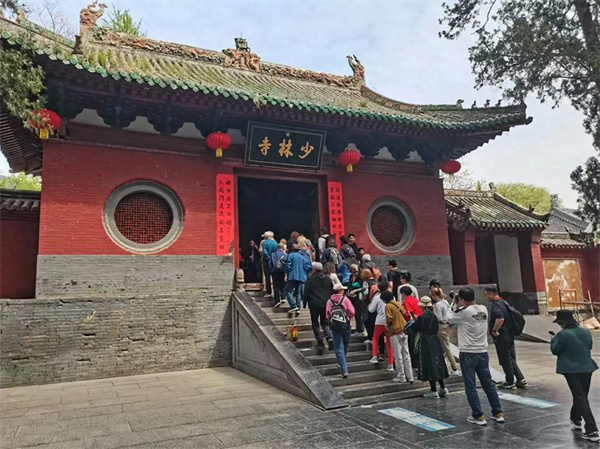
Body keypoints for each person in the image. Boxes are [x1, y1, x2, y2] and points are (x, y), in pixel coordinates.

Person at [447, 287, 505, 426]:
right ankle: (497, 412)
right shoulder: (483, 309)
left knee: (470, 385)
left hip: (468, 353)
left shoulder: (464, 313)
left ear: (462, 299)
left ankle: (478, 415)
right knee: (488, 384)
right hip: (482, 352)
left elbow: (448, 317)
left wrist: (454, 303)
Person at [551, 310, 598, 442]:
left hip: (571, 370)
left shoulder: (562, 335)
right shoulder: (586, 332)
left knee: (580, 396)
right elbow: (589, 346)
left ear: (562, 323)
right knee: (582, 395)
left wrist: (553, 341)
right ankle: (575, 418)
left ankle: (592, 429)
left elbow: (555, 351)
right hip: (587, 367)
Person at [484, 285, 528, 390]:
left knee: (505, 359)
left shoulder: (496, 305)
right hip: (509, 334)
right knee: (510, 357)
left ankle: (510, 382)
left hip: (502, 335)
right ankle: (520, 379)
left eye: (486, 295)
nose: (485, 297)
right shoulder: (504, 302)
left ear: (491, 294)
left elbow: (500, 318)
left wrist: (494, 330)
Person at [415, 296, 449, 398]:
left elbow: (416, 328)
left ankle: (433, 390)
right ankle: (443, 388)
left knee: (429, 364)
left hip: (426, 341)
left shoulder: (421, 318)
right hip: (435, 340)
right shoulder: (434, 317)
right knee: (438, 362)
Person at [382, 291, 413, 383]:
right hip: (404, 329)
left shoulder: (388, 306)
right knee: (406, 354)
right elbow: (405, 314)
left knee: (398, 355)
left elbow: (389, 319)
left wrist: (388, 326)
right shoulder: (397, 304)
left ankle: (401, 375)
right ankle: (410, 376)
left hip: (395, 331)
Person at [326, 283, 355, 378]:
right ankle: (342, 361)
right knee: (345, 344)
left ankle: (344, 369)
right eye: (342, 289)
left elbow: (327, 314)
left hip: (335, 327)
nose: (344, 291)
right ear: (339, 291)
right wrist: (347, 317)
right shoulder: (345, 299)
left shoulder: (329, 301)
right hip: (346, 325)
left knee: (338, 348)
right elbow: (352, 312)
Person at [303, 262, 334, 351]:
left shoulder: (311, 279)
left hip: (314, 304)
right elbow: (332, 291)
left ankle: (320, 342)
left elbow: (306, 291)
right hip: (325, 303)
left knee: (315, 323)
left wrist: (304, 302)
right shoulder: (328, 279)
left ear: (314, 269)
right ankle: (329, 337)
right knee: (325, 322)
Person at [431, 287, 460, 375]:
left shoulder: (438, 305)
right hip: (448, 325)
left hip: (442, 326)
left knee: (446, 347)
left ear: (434, 295)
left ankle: (454, 368)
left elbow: (438, 317)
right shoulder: (445, 302)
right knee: (444, 346)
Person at [368, 281, 394, 371]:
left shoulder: (377, 298)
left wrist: (369, 306)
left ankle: (375, 356)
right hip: (389, 321)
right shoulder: (392, 297)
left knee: (375, 338)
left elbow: (371, 310)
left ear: (379, 289)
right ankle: (391, 364)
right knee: (389, 343)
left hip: (379, 321)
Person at [400, 285, 424, 370]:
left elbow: (408, 314)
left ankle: (415, 364)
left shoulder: (406, 302)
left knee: (412, 344)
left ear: (403, 294)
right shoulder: (416, 300)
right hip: (421, 323)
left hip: (413, 325)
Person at [285, 246, 312, 316]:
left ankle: (293, 306)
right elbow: (307, 266)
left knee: (288, 291)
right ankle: (298, 308)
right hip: (301, 276)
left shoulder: (290, 255)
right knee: (298, 292)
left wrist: (287, 274)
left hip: (292, 276)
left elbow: (288, 266)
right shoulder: (302, 257)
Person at [360, 269, 379, 345]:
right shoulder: (375, 281)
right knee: (373, 319)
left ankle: (370, 337)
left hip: (367, 302)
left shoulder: (365, 282)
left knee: (366, 319)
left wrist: (361, 297)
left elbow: (365, 293)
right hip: (375, 302)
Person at [347, 264, 363, 333]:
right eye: (353, 271)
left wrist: (355, 290)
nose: (355, 273)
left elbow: (363, 287)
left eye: (356, 271)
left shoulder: (360, 277)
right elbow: (349, 285)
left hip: (358, 296)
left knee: (358, 313)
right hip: (351, 296)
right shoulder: (351, 276)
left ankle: (359, 329)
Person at [261, 231, 278, 298]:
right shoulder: (275, 243)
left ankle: (269, 292)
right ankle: (276, 292)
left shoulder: (264, 243)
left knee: (267, 277)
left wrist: (268, 257)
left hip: (266, 261)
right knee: (275, 276)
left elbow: (265, 252)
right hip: (274, 260)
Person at [270, 243, 287, 307]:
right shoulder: (285, 255)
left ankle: (277, 300)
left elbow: (271, 263)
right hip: (282, 271)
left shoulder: (273, 254)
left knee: (276, 285)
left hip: (274, 271)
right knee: (283, 284)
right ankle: (283, 297)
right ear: (283, 248)